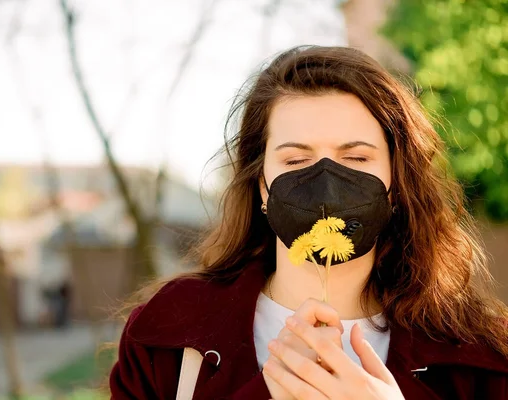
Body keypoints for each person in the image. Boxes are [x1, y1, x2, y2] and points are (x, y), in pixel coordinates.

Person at [108, 46, 508, 399]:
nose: (327, 184)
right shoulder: (170, 335)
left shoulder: (479, 354)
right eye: (296, 160)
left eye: (356, 159)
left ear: (397, 184)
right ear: (261, 185)